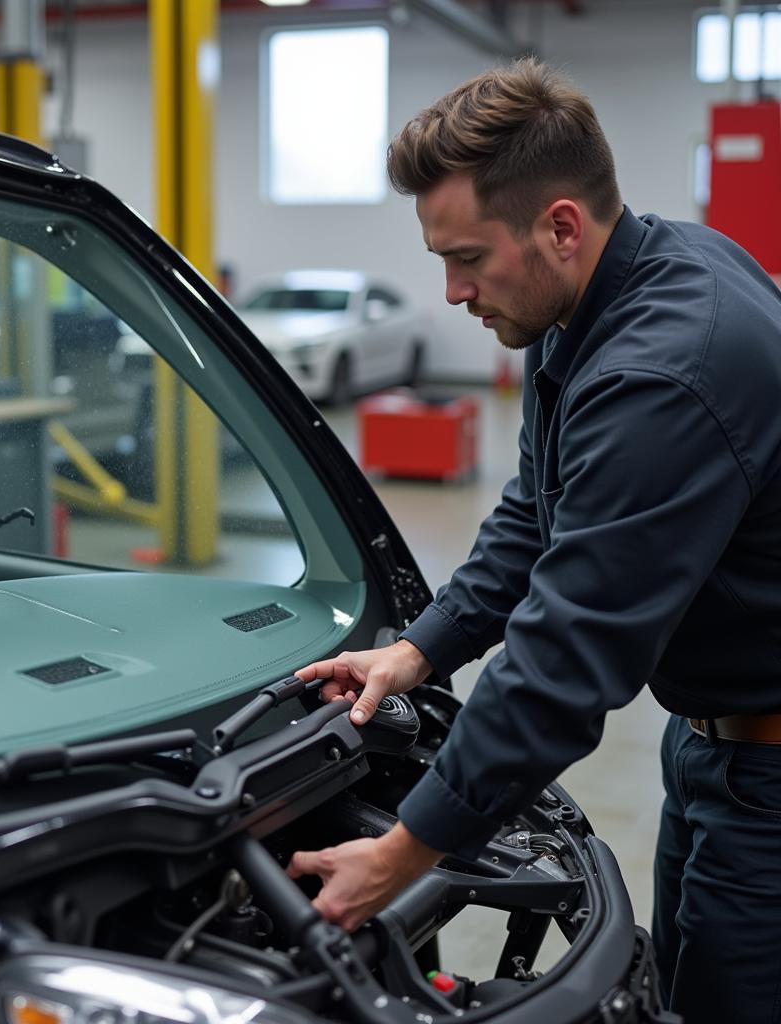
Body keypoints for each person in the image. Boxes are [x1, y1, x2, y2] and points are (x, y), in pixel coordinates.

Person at [284, 57, 781, 1024]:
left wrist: (406, 850)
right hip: (715, 743)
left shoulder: (663, 375)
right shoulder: (595, 297)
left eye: (467, 257)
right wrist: (419, 649)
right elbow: (535, 514)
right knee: (684, 992)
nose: (454, 289)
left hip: (769, 779)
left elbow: (568, 653)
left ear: (560, 224)